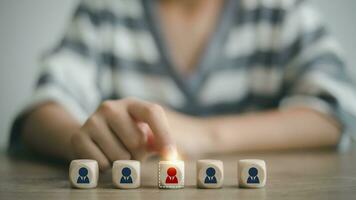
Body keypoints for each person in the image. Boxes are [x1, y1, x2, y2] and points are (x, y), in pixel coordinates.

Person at [9, 0, 356, 171]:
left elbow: (337, 108)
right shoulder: (106, 10)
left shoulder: (281, 10)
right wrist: (81, 139)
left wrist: (202, 134)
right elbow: (42, 108)